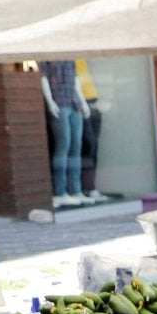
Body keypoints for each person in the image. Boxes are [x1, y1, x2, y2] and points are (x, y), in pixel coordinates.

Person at [40, 60, 91, 208]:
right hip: (59, 102)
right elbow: (43, 79)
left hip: (74, 104)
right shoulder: (47, 58)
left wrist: (83, 102)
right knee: (64, 145)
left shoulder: (70, 59)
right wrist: (50, 102)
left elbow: (75, 82)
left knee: (76, 147)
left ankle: (76, 190)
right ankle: (60, 192)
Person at [76, 59, 110, 203]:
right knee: (88, 146)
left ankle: (91, 187)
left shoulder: (89, 58)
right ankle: (85, 187)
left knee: (94, 147)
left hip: (95, 102)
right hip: (81, 104)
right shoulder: (70, 57)